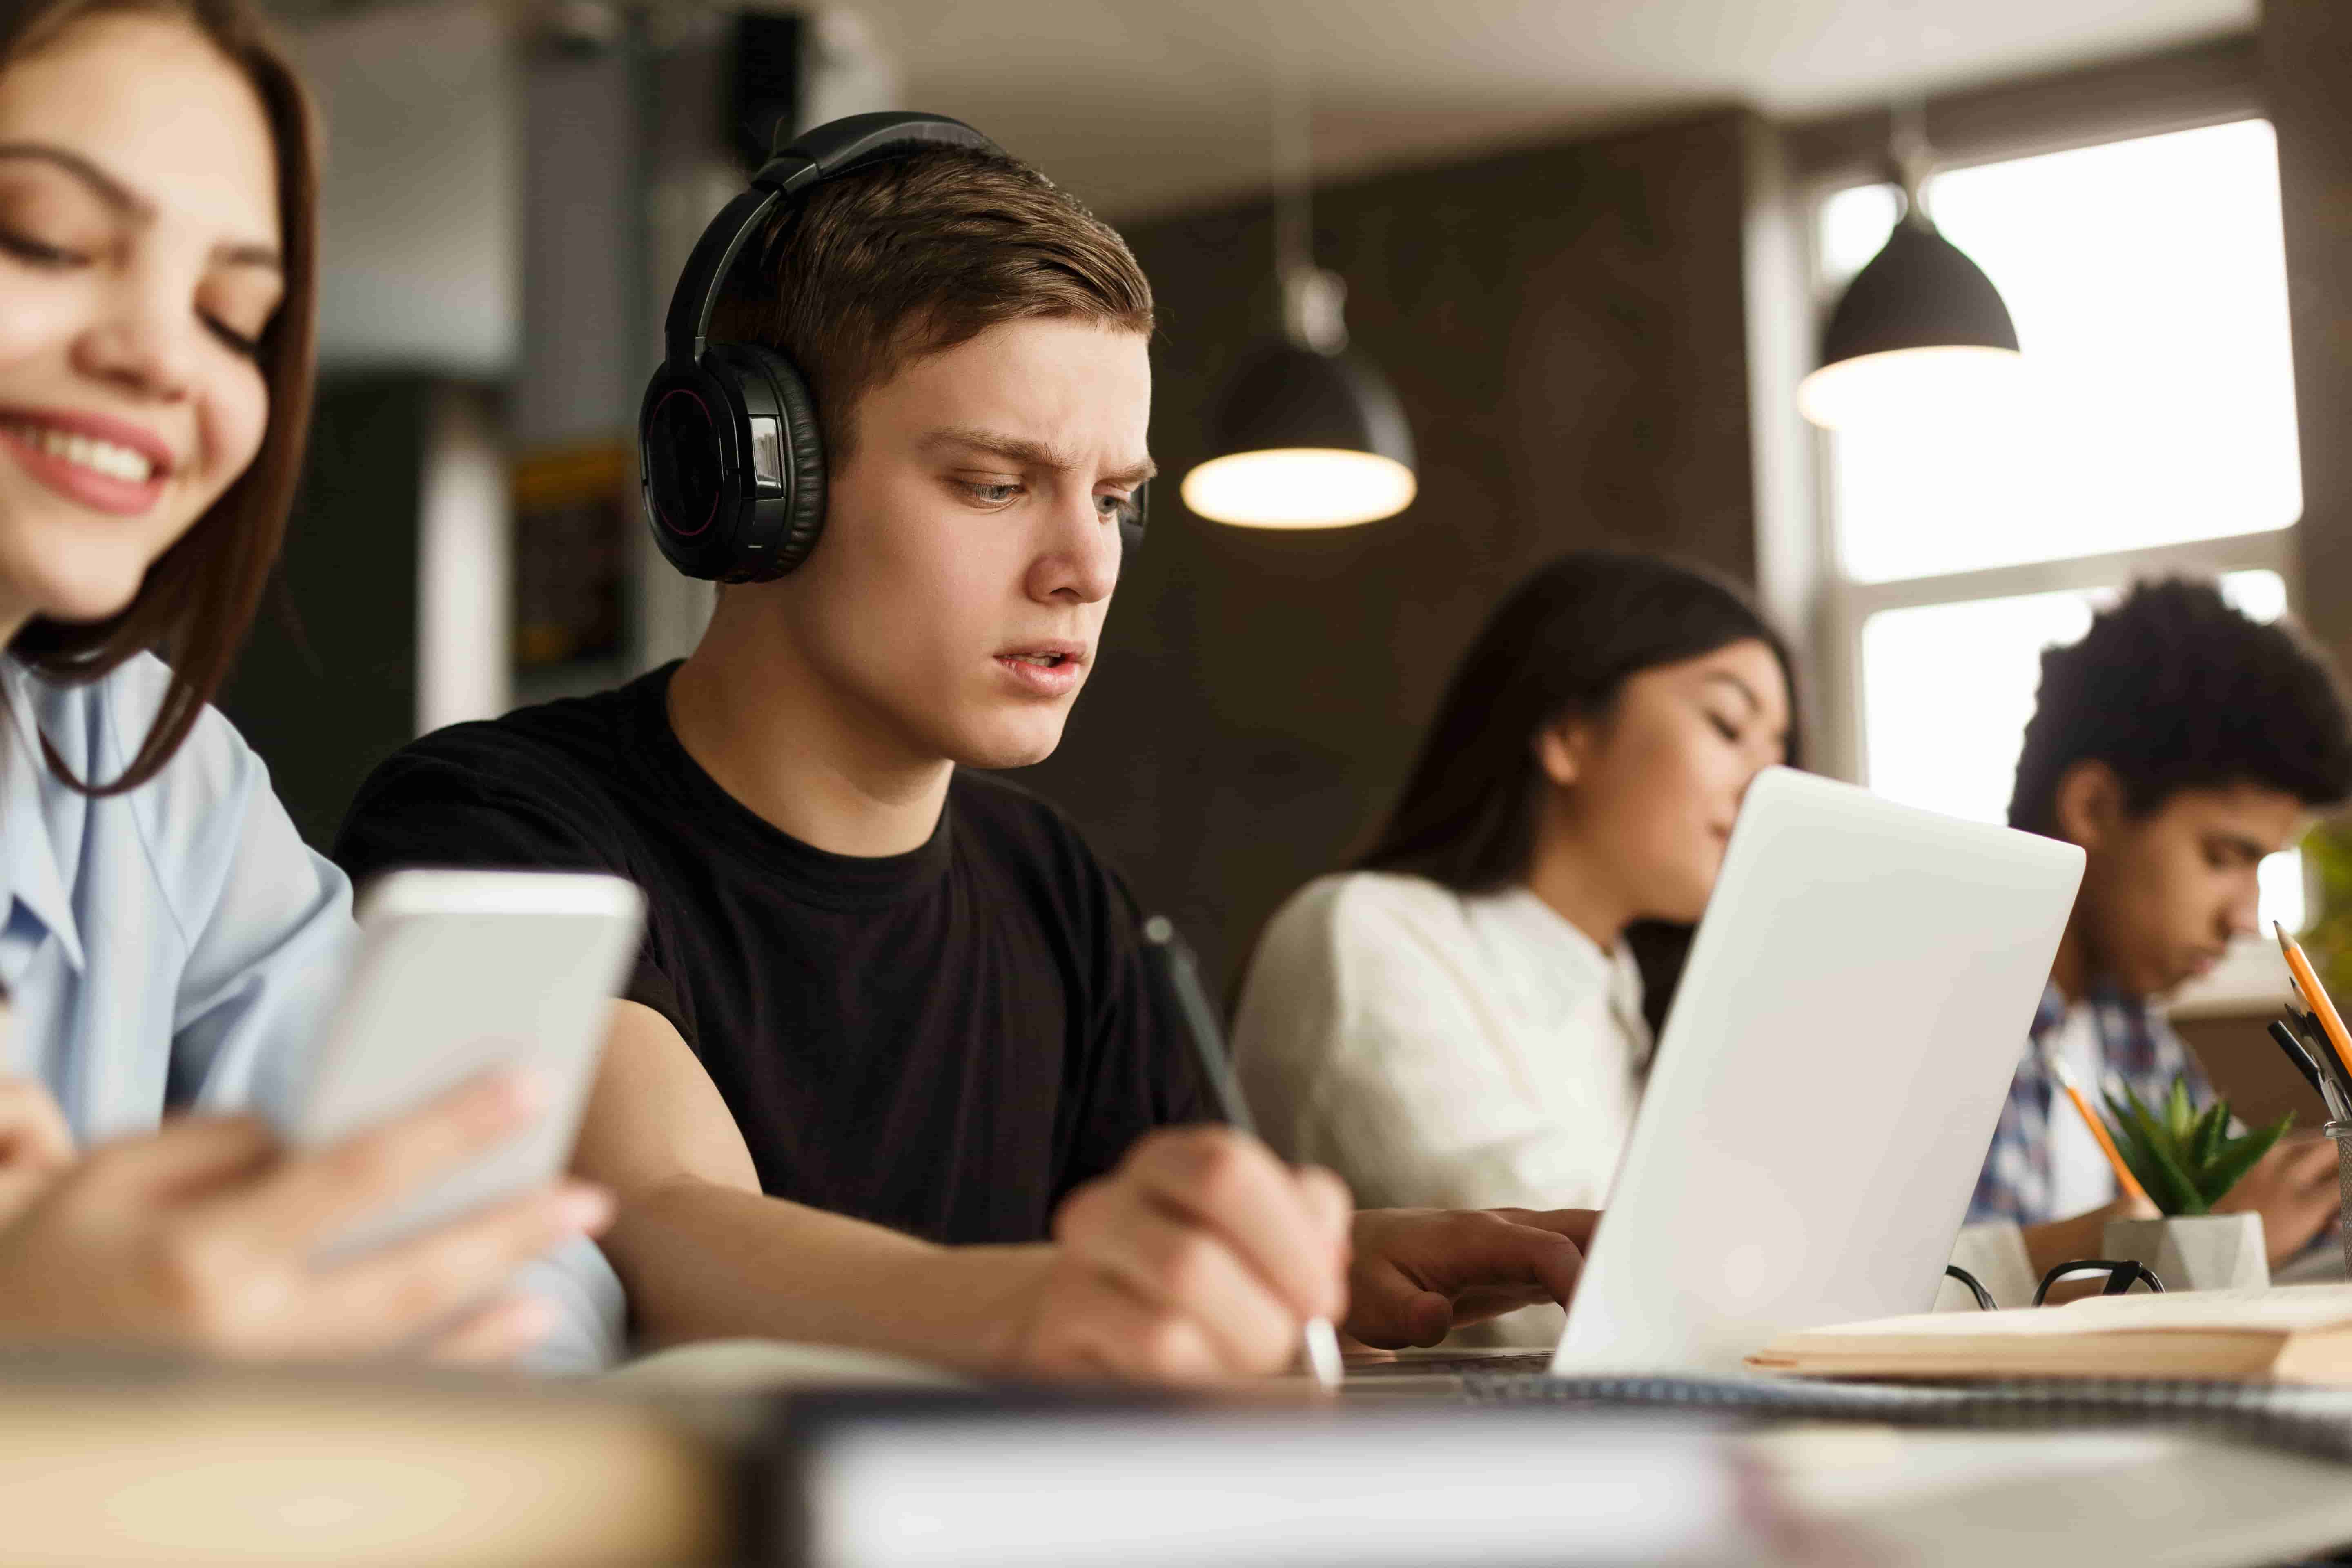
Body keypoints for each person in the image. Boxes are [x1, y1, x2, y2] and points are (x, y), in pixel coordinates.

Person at [334, 129, 1599, 1387]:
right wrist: (1056, 1304)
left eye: (1112, 499)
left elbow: (1126, 1266)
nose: (1088, 566)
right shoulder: (496, 829)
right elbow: (666, 1218)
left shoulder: (1051, 887)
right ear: (762, 480)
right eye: (998, 485)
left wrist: (1325, 1266)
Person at [0, 0, 612, 1363]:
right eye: (40, 238)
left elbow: (529, 1263)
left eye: (234, 316)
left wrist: (338, 1308)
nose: (163, 357)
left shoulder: (151, 773)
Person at [1230, 552, 1791, 1339]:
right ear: (1566, 732)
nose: (1767, 781)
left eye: (1777, 747)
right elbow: (1557, 1304)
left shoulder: (1623, 992)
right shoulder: (1366, 933)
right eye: (1730, 726)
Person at [1974, 578, 2352, 1274]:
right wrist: (2204, 1245)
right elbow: (1932, 1304)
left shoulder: (2137, 1038)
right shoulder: (1957, 1024)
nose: (2243, 920)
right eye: (2223, 857)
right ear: (2094, 808)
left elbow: (2248, 1212)